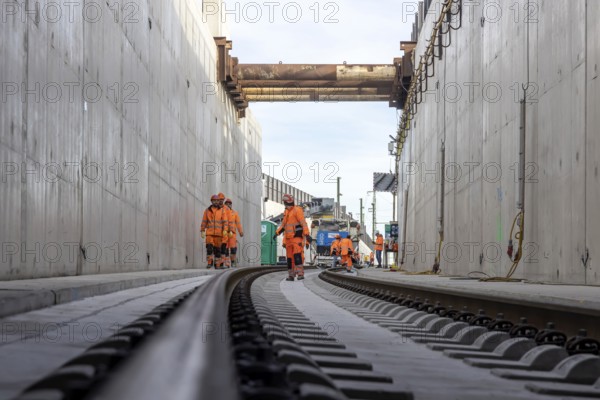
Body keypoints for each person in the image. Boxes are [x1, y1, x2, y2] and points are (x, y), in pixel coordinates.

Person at [274, 194, 312, 281]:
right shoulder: (286, 212)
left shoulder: (297, 210)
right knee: (290, 259)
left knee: (297, 256)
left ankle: (300, 274)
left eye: (284, 202)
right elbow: (283, 225)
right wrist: (277, 233)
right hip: (288, 239)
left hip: (296, 238)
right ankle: (291, 275)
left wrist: (307, 234)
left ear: (286, 202)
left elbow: (303, 223)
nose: (284, 204)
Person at [201, 194, 230, 269]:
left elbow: (225, 222)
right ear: (211, 201)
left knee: (218, 250)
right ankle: (209, 263)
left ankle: (217, 265)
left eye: (217, 200)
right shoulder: (207, 211)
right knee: (209, 248)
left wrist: (225, 230)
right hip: (209, 233)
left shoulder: (222, 210)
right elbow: (204, 221)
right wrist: (202, 230)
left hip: (219, 234)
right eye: (214, 201)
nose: (216, 202)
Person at [224, 198, 244, 267]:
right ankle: (227, 264)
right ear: (225, 205)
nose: (228, 205)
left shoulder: (235, 213)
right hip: (225, 233)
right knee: (225, 249)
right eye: (227, 204)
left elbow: (238, 223)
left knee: (233, 248)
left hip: (232, 234)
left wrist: (240, 231)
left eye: (230, 204)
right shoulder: (222, 212)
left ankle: (232, 262)